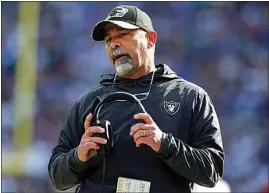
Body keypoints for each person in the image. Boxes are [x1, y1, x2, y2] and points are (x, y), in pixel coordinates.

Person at [48, 5, 224, 193]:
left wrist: (164, 143)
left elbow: (211, 172)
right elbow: (57, 177)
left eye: (123, 35)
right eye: (108, 39)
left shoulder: (190, 97)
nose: (113, 44)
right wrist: (78, 155)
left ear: (150, 39)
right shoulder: (89, 102)